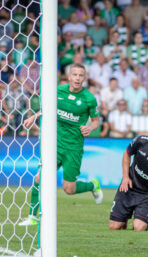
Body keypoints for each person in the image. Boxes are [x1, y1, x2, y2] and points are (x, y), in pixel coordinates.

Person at [20, 64, 103, 226]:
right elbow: (48, 109)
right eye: (75, 75)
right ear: (69, 77)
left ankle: (93, 185)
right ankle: (32, 216)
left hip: (73, 147)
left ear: (84, 78)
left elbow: (95, 121)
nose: (78, 78)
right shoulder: (58, 91)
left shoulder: (89, 98)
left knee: (69, 189)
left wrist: (90, 128)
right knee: (39, 178)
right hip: (54, 144)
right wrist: (33, 117)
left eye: (81, 75)